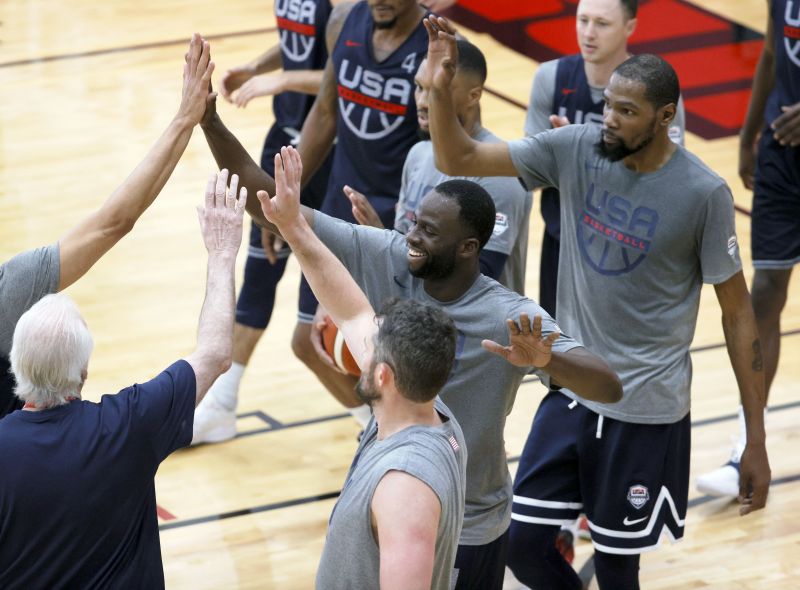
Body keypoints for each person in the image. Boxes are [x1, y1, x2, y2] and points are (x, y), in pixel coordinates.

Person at [197, 82, 622, 585]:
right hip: (386, 486)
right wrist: (208, 119)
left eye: (428, 232)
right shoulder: (392, 254)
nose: (413, 237)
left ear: (467, 248)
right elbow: (265, 199)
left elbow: (608, 386)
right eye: (415, 223)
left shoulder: (507, 314)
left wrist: (548, 360)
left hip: (470, 519)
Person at [422, 16, 770, 589]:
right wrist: (439, 89)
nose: (609, 119)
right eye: (608, 105)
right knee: (525, 545)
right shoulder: (577, 148)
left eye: (627, 112)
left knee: (615, 567)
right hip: (570, 387)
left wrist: (753, 437)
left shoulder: (703, 194)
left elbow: (738, 314)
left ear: (664, 118)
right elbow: (458, 161)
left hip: (645, 412)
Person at [0, 167, 247, 588]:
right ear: (84, 372)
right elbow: (215, 354)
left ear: (15, 368)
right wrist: (222, 253)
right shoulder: (129, 424)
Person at [258, 146, 467, 590]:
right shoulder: (423, 403)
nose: (362, 337)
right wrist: (293, 226)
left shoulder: (405, 486)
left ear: (383, 375)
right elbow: (351, 310)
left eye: (373, 343)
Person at [0, 34, 216, 420]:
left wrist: (185, 119)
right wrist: (184, 119)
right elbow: (112, 224)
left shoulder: (12, 287)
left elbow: (112, 224)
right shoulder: (8, 292)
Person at [191, 0, 337, 445]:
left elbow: (343, 74)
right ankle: (221, 403)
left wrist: (281, 80)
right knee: (258, 270)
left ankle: (374, 410)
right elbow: (301, 39)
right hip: (285, 134)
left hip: (326, 148)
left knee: (320, 319)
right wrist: (258, 65)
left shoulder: (351, 9)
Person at [696, 0, 799, 498]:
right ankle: (746, 447)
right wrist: (746, 133)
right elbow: (770, 52)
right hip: (782, 155)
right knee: (763, 297)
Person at [525, 0, 685, 317]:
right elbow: (528, 175)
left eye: (602, 23)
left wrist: (576, 154)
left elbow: (667, 181)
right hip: (562, 241)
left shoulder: (657, 90)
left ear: (630, 27)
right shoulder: (550, 77)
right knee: (555, 354)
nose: (588, 33)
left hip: (626, 246)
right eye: (582, 20)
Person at [345, 39, 532, 296]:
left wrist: (386, 247)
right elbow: (408, 252)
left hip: (477, 332)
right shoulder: (418, 155)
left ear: (473, 96)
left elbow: (479, 278)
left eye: (436, 90)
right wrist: (381, 238)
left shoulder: (500, 171)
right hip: (423, 323)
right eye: (419, 87)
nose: (422, 102)